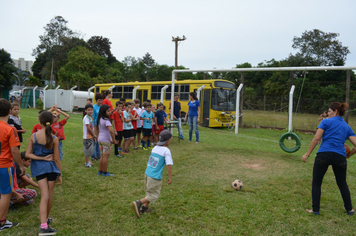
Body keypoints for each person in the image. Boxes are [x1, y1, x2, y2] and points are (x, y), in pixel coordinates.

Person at [302, 102, 356, 215]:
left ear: (335, 111)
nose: (328, 113)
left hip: (323, 155)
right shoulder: (347, 126)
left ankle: (315, 210)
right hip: (340, 157)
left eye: (330, 111)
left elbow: (317, 138)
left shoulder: (325, 121)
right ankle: (350, 209)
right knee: (342, 183)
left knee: (317, 183)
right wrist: (349, 155)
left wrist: (307, 154)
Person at [25, 111, 62, 235]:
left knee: (44, 195)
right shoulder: (54, 138)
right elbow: (57, 158)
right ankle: (44, 225)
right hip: (51, 169)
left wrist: (41, 158)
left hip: (39, 169)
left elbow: (27, 154)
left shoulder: (34, 136)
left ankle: (44, 222)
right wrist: (60, 173)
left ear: (39, 122)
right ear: (52, 122)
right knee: (48, 195)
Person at [132, 130, 173, 218]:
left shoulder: (155, 147)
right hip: (155, 177)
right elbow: (168, 164)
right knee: (153, 195)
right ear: (168, 140)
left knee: (149, 192)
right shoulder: (166, 150)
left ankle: (144, 208)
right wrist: (170, 177)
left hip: (148, 173)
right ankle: (138, 203)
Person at [0, 98, 25, 232]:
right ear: (9, 111)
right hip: (4, 165)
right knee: (6, 194)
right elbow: (14, 150)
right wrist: (20, 165)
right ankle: (2, 222)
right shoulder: (10, 129)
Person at [95, 105, 116, 176]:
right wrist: (113, 140)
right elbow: (111, 131)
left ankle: (100, 171)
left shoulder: (100, 119)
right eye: (108, 111)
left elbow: (97, 128)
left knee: (102, 156)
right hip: (106, 140)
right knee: (106, 156)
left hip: (100, 139)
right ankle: (105, 172)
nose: (110, 112)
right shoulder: (107, 120)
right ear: (104, 112)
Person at [92, 93, 103, 161]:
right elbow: (92, 118)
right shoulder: (93, 107)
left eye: (101, 100)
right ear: (96, 100)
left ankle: (98, 155)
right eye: (99, 100)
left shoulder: (102, 107)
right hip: (95, 126)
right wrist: (94, 128)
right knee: (95, 141)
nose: (100, 101)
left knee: (99, 141)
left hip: (101, 127)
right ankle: (93, 156)